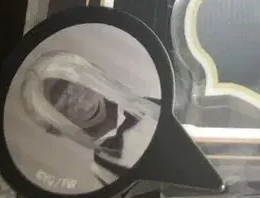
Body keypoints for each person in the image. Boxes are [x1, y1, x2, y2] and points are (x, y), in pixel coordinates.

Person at [20, 51, 160, 185]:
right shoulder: (104, 169)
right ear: (56, 129)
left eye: (78, 87)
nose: (80, 102)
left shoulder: (152, 107)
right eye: (64, 105)